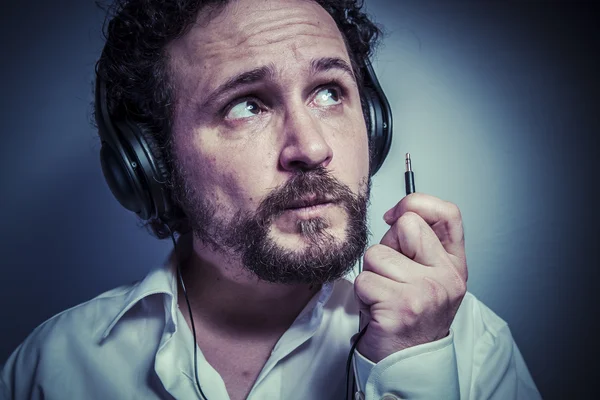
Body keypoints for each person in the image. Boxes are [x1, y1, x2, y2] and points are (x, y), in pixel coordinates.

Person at [1, 0, 542, 399]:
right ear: (152, 164)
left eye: (330, 92)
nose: (312, 147)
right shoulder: (53, 367)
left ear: (373, 121)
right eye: (246, 106)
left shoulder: (466, 347)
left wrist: (415, 365)